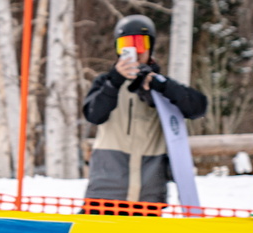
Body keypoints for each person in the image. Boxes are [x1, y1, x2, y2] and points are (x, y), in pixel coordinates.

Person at [81, 14, 208, 213]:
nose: (134, 51)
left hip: (148, 196)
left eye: (140, 43)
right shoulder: (105, 83)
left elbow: (197, 108)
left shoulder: (162, 88)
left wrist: (160, 85)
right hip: (106, 194)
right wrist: (114, 81)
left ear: (151, 47)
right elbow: (94, 114)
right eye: (125, 44)